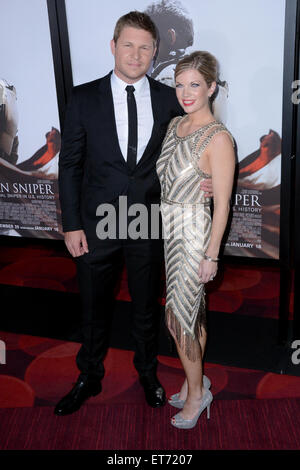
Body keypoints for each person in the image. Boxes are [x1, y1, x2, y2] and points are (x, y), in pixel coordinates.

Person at [55, 11, 212, 416]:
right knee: (93, 307)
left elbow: (197, 145)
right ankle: (89, 376)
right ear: (113, 46)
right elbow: (70, 165)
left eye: (145, 46)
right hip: (95, 223)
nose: (136, 53)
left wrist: (209, 178)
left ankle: (147, 373)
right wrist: (70, 224)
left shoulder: (168, 99)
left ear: (155, 50)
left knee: (146, 306)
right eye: (128, 44)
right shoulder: (84, 97)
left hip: (147, 221)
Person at [156, 51, 235, 428]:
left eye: (195, 85)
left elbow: (222, 206)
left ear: (212, 87)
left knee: (181, 322)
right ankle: (194, 383)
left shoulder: (218, 139)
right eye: (179, 84)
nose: (186, 93)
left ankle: (198, 396)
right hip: (170, 230)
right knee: (184, 316)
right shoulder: (175, 125)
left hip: (193, 236)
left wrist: (212, 255)